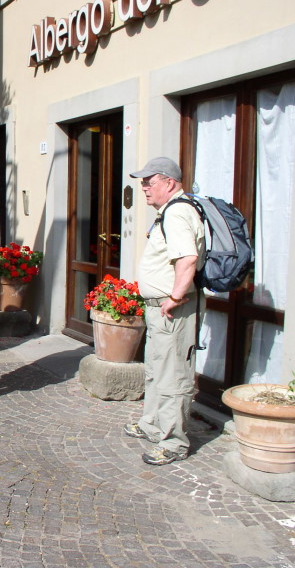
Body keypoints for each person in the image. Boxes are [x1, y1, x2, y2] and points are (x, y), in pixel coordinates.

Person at [124, 157, 205, 466]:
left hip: (172, 309)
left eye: (150, 181)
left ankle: (173, 443)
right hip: (160, 309)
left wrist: (174, 296)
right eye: (143, 182)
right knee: (157, 371)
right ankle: (153, 425)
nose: (144, 187)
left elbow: (187, 258)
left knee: (173, 377)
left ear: (169, 183)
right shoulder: (168, 212)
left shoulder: (178, 212)